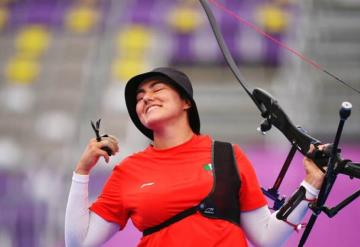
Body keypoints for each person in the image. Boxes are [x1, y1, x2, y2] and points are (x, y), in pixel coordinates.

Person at [65, 67, 325, 247]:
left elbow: (267, 237)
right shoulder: (129, 170)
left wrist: (310, 185)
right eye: (140, 97)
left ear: (186, 102)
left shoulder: (227, 156)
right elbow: (80, 241)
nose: (147, 98)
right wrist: (82, 171)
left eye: (157, 89)